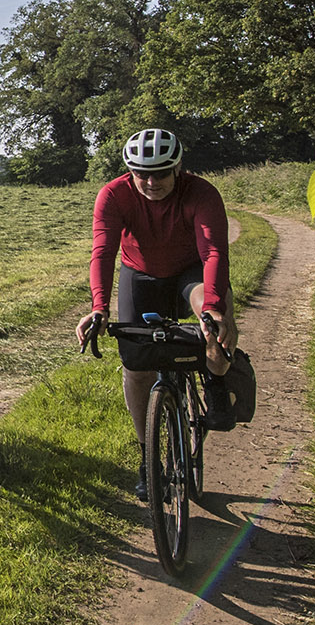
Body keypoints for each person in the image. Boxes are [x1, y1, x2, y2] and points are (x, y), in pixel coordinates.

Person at [73, 128, 240, 495]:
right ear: (129, 170)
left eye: (161, 172)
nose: (151, 182)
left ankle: (216, 380)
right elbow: (102, 252)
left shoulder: (202, 193)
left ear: (177, 167)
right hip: (141, 275)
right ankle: (149, 458)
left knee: (215, 320)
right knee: (136, 366)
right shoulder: (114, 195)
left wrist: (213, 308)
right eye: (141, 173)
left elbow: (214, 253)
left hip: (191, 272)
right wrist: (98, 308)